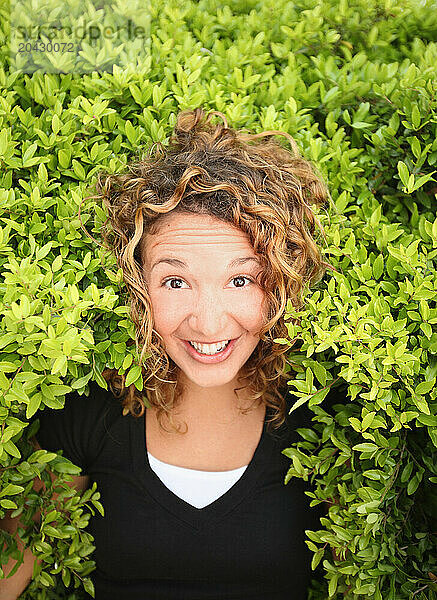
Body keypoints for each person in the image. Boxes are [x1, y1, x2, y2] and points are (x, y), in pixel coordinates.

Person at [0, 107, 334, 599]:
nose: (209, 322)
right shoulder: (89, 415)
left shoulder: (324, 420)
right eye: (175, 281)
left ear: (279, 284)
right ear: (138, 286)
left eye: (241, 280)